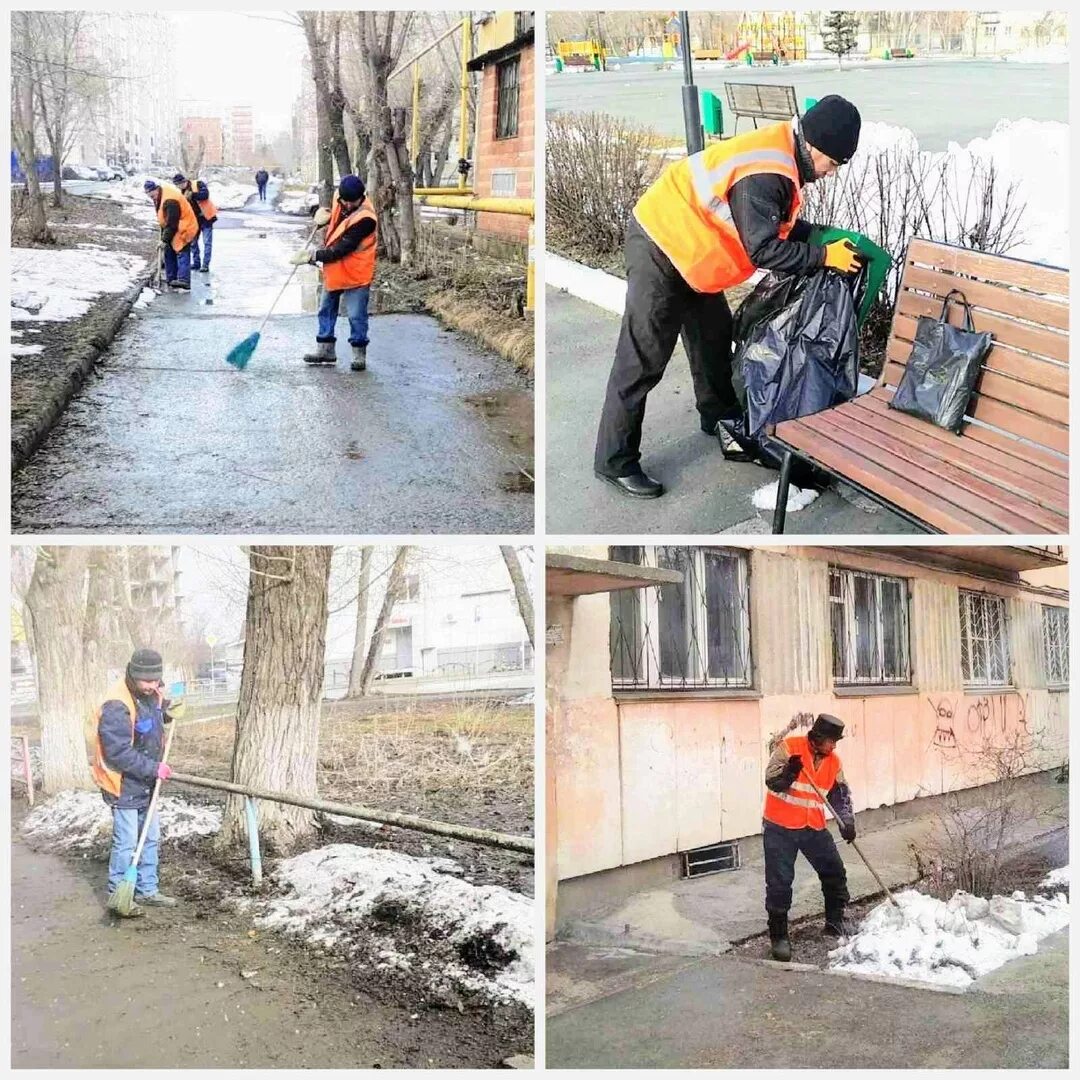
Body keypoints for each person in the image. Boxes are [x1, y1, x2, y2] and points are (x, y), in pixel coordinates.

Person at [593, 95, 866, 498]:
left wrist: (815, 235)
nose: (830, 174)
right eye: (833, 164)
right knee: (643, 358)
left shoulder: (782, 156)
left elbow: (766, 217)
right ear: (815, 147)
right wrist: (824, 256)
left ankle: (717, 417)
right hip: (662, 246)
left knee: (713, 339)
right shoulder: (767, 171)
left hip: (694, 254)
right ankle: (613, 461)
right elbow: (764, 248)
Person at [90, 648, 181, 917]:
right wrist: (155, 768)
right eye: (147, 681)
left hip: (145, 782)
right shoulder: (116, 705)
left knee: (150, 837)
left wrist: (166, 712)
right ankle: (119, 894)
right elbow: (117, 753)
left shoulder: (149, 695)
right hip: (122, 784)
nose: (153, 686)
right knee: (126, 843)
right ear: (133, 675)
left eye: (156, 681)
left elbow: (148, 721)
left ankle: (147, 890)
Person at [762, 714, 856, 961]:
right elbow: (771, 781)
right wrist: (789, 773)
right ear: (819, 738)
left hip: (812, 826)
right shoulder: (790, 748)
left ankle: (835, 921)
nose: (834, 746)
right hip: (780, 827)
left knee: (834, 872)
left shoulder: (834, 762)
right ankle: (779, 936)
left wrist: (847, 822)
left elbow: (840, 795)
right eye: (832, 741)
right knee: (780, 883)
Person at [290, 174, 377, 372]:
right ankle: (325, 351)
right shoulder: (341, 196)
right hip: (335, 269)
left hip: (356, 272)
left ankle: (358, 355)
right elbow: (335, 218)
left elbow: (341, 249)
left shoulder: (366, 219)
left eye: (351, 202)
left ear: (360, 198)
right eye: (344, 201)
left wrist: (313, 256)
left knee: (356, 315)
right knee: (326, 310)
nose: (346, 204)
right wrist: (319, 215)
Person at [144, 178, 198, 291]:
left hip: (184, 227)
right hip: (176, 226)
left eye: (152, 196)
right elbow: (166, 219)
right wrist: (164, 237)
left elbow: (172, 222)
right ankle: (171, 279)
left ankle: (184, 280)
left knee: (181, 251)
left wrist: (164, 239)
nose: (152, 198)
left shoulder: (170, 200)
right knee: (169, 250)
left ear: (157, 190)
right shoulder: (161, 196)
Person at [175, 173, 218, 274]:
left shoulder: (198, 184)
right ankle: (196, 263)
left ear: (184, 181)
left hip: (206, 218)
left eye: (180, 184)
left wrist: (193, 195)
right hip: (194, 221)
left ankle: (205, 265)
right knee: (193, 242)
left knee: (207, 242)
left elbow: (205, 195)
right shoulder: (181, 193)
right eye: (177, 185)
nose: (179, 187)